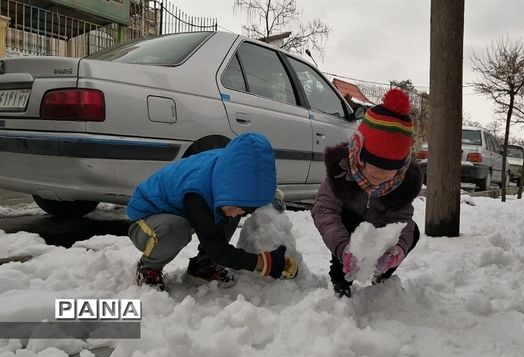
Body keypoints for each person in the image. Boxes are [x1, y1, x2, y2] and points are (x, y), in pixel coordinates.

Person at [126, 132, 297, 291]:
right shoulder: (197, 195)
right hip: (146, 220)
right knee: (177, 228)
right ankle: (149, 268)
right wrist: (263, 262)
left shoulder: (228, 176)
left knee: (228, 213)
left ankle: (203, 265)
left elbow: (253, 180)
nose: (240, 214)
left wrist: (267, 197)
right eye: (240, 208)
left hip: (183, 209)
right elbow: (218, 250)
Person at [311, 88, 422, 298]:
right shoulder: (341, 172)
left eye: (389, 170)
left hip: (380, 227)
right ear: (360, 153)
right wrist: (344, 249)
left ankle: (382, 274)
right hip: (349, 226)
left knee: (412, 231)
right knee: (345, 220)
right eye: (376, 166)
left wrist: (396, 250)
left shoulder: (403, 183)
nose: (381, 175)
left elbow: (402, 221)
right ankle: (340, 278)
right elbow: (325, 211)